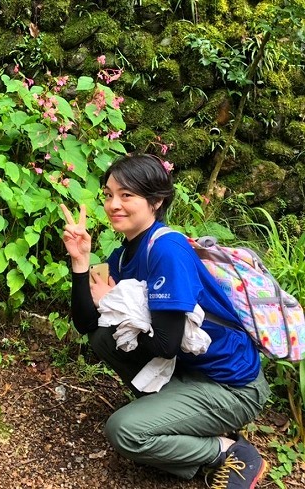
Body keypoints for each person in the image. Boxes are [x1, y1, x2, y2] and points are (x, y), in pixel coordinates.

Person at [60, 154, 270, 489]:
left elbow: (164, 344)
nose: (114, 204)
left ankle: (227, 449)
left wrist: (120, 314)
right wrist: (80, 261)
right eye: (109, 194)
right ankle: (178, 419)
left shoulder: (167, 250)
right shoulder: (124, 254)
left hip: (232, 387)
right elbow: (87, 324)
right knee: (102, 336)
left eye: (126, 195)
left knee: (124, 431)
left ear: (156, 201)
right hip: (189, 372)